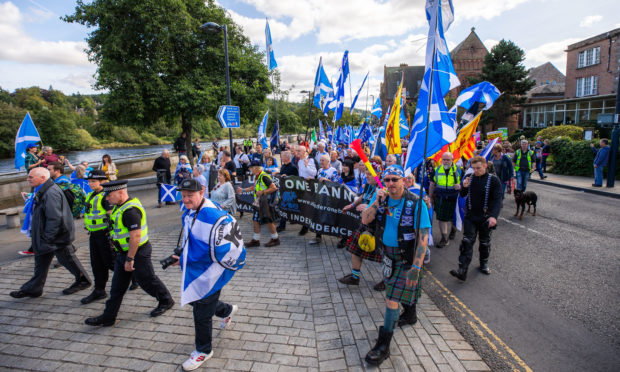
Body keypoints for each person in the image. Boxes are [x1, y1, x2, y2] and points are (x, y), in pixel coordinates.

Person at [360, 165, 431, 366]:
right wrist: (375, 200)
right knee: (402, 291)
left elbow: (423, 237)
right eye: (387, 179)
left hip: (406, 258)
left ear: (404, 180)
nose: (390, 184)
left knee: (391, 298)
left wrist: (416, 268)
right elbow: (365, 219)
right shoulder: (381, 201)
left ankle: (383, 345)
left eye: (395, 179)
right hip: (387, 256)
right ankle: (410, 313)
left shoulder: (416, 204)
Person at [171, 179, 244, 370]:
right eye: (183, 195)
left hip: (211, 271)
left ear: (202, 192)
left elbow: (225, 247)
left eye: (190, 195)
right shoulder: (190, 209)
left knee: (201, 310)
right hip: (197, 268)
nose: (185, 200)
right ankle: (226, 310)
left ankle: (203, 350)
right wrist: (182, 256)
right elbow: (193, 238)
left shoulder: (213, 215)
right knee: (198, 301)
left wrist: (190, 259)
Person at [85, 180, 174, 326]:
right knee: (117, 287)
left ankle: (166, 300)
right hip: (124, 253)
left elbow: (135, 236)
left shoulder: (130, 211)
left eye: (109, 195)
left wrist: (130, 258)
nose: (106, 198)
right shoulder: (119, 206)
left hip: (137, 253)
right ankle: (109, 316)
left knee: (147, 280)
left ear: (121, 192)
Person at [10, 168, 92, 299]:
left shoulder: (50, 192)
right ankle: (34, 288)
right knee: (41, 263)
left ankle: (83, 281)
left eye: (31, 177)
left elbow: (55, 218)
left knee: (67, 259)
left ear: (43, 178)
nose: (28, 179)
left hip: (56, 237)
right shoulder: (43, 190)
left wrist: (48, 238)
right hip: (48, 236)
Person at [450, 156, 502, 281]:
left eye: (478, 168)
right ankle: (462, 270)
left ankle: (483, 263)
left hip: (485, 217)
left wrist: (493, 217)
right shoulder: (470, 178)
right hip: (471, 216)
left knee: (484, 242)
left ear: (485, 166)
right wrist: (465, 186)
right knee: (467, 242)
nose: (475, 170)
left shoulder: (493, 180)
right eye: (473, 168)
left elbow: (497, 200)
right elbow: (462, 195)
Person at [338, 160, 385, 290]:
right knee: (355, 249)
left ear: (378, 174)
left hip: (378, 226)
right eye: (366, 173)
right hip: (365, 223)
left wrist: (369, 207)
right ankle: (355, 277)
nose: (367, 176)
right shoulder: (369, 185)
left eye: (370, 174)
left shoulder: (383, 190)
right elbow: (363, 197)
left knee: (384, 256)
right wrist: (352, 205)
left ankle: (387, 280)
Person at [80, 170, 116, 304]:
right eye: (89, 181)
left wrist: (111, 233)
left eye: (93, 181)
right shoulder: (90, 195)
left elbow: (111, 215)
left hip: (104, 235)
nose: (90, 184)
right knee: (96, 264)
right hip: (93, 235)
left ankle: (134, 277)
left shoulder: (106, 196)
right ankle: (99, 290)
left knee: (110, 262)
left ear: (102, 182)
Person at [237, 159, 280, 247]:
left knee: (268, 220)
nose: (250, 169)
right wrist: (243, 190)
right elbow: (254, 188)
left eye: (251, 168)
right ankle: (256, 240)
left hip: (265, 202)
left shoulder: (263, 176)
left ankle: (275, 239)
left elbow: (274, 188)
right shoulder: (258, 176)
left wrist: (263, 192)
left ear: (256, 168)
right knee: (255, 220)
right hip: (259, 203)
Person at [429, 152, 461, 247]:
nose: (446, 161)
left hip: (454, 198)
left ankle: (453, 229)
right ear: (441, 160)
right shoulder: (437, 169)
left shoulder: (458, 169)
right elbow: (432, 184)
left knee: (453, 218)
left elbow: (466, 183)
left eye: (448, 160)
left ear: (452, 160)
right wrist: (430, 197)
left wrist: (461, 186)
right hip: (441, 198)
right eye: (444, 160)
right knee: (442, 219)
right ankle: (444, 238)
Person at [295, 145, 317, 236]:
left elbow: (314, 173)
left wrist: (307, 166)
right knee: (303, 206)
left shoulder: (310, 160)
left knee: (309, 206)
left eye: (299, 150)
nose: (298, 152)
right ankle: (305, 225)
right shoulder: (299, 161)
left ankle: (308, 226)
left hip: (310, 186)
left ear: (304, 152)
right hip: (302, 186)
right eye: (297, 150)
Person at [275, 151, 298, 233]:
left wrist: (287, 177)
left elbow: (296, 179)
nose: (281, 158)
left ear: (287, 157)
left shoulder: (293, 167)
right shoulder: (283, 166)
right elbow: (281, 175)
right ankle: (287, 221)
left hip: (289, 192)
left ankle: (282, 225)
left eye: (282, 156)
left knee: (284, 207)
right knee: (284, 207)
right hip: (283, 190)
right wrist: (277, 173)